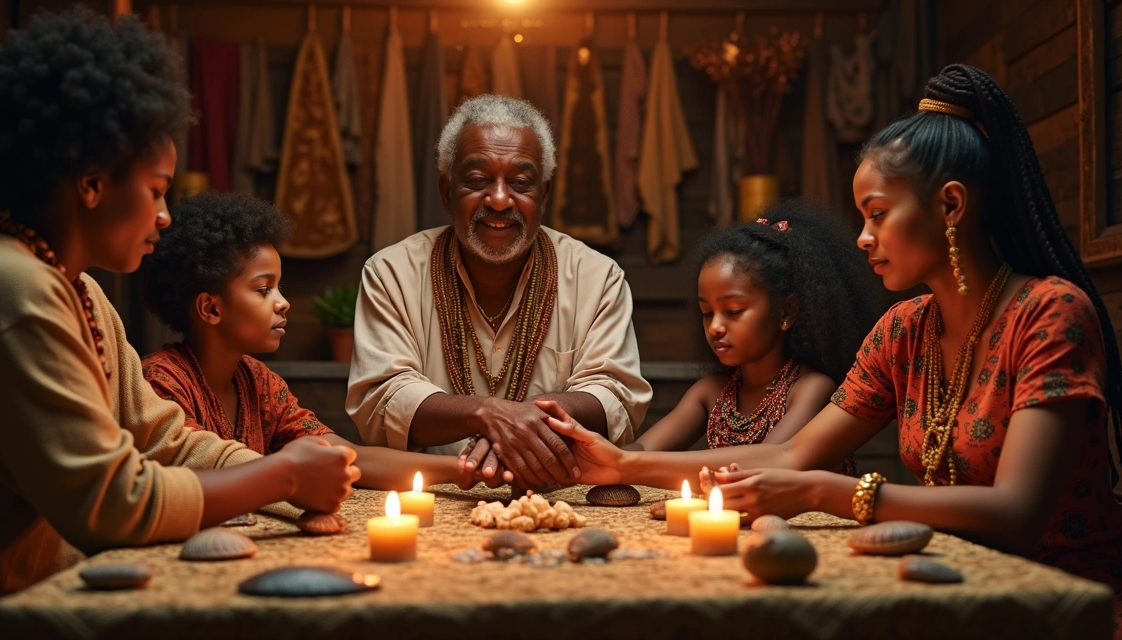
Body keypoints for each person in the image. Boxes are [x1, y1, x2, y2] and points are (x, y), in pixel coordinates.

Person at [540, 64, 1122, 630]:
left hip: (1062, 603)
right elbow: (793, 454)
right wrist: (621, 462)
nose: (863, 238)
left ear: (950, 205)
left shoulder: (1049, 313)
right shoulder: (903, 330)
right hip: (952, 588)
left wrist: (823, 491)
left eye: (878, 214)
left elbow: (1016, 512)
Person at [0, 10, 357, 637]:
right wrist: (281, 474)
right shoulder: (8, 290)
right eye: (156, 189)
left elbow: (163, 438)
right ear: (92, 183)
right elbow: (111, 503)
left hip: (49, 596)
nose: (166, 216)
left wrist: (292, 474)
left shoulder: (78, 289)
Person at [345, 95, 651, 492]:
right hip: (431, 497)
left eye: (520, 184)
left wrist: (514, 422)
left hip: (558, 499)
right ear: (446, 190)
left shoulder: (596, 277)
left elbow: (614, 395)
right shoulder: (392, 273)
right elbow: (384, 397)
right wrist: (486, 414)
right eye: (477, 181)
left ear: (544, 194)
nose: (500, 200)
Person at [139, 191, 511, 490]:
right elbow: (189, 483)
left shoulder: (259, 383)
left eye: (279, 287)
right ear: (210, 308)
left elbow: (348, 457)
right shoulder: (159, 383)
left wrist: (467, 469)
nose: (283, 302)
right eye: (264, 289)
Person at [622, 202, 877, 477]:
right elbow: (642, 450)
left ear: (786, 312)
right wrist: (604, 454)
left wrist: (625, 464)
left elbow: (767, 463)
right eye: (706, 313)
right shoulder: (711, 392)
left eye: (733, 311)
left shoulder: (810, 389)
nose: (715, 327)